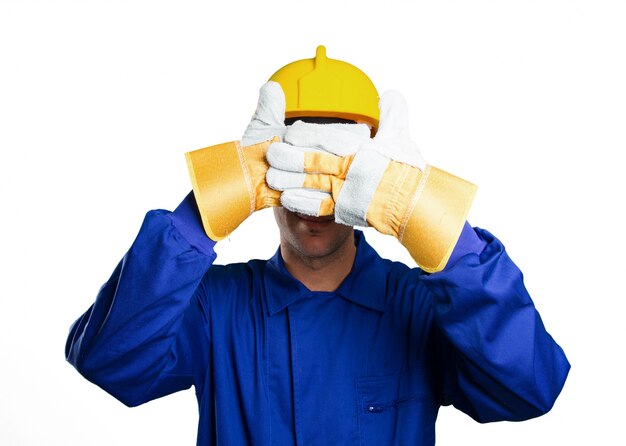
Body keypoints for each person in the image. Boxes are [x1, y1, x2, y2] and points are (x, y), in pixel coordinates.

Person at [66, 46, 570, 445]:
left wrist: (429, 216)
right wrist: (209, 203)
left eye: (335, 175)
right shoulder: (213, 305)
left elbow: (529, 388)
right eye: (297, 170)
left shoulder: (422, 306)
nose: (314, 199)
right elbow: (110, 364)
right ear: (265, 174)